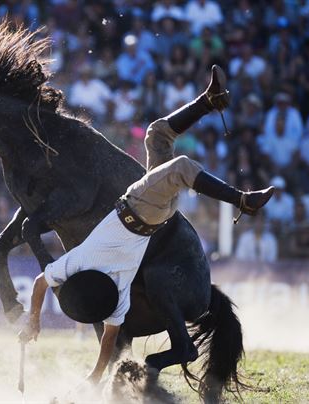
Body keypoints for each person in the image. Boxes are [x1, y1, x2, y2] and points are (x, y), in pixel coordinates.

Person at [19, 66, 274, 383]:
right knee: (181, 165)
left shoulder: (118, 300)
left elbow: (109, 343)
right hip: (139, 207)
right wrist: (33, 320)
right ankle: (242, 201)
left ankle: (211, 100)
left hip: (153, 216)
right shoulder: (83, 264)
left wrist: (95, 376)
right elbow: (41, 283)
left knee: (157, 134)